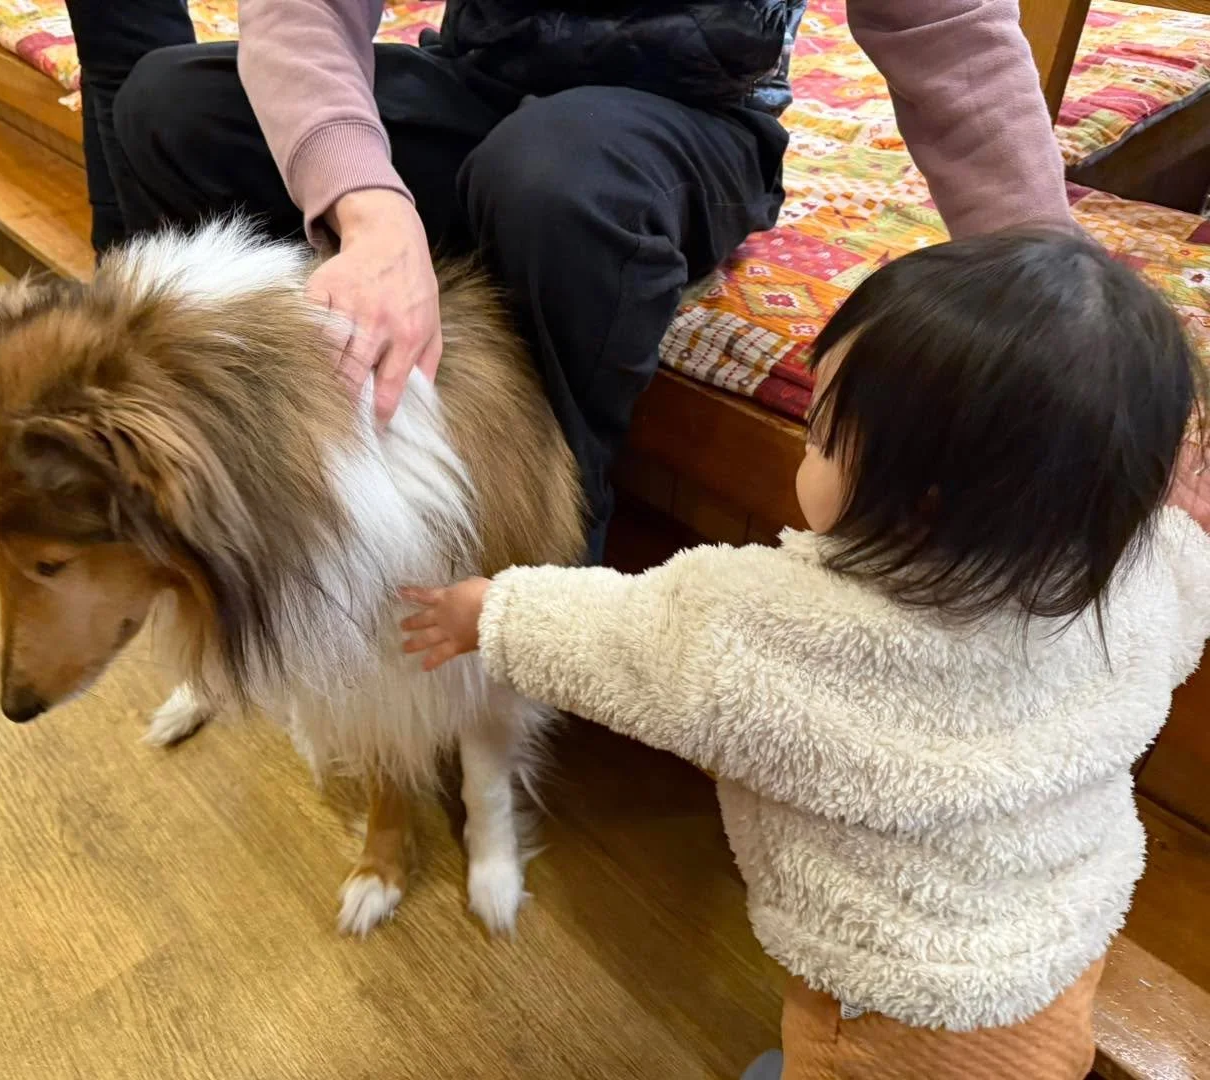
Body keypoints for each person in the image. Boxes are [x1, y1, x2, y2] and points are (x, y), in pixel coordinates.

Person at [400, 230, 1210, 1080]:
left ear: (919, 506)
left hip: (888, 1015)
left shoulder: (779, 625)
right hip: (1061, 963)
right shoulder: (1136, 581)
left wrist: (492, 611)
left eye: (822, 434)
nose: (805, 446)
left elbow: (631, 639)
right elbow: (1188, 576)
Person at [64, 0, 1074, 562]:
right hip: (488, 88)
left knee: (554, 171)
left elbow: (959, 50)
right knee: (171, 103)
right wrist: (367, 208)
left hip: (688, 124)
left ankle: (546, 559)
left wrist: (1063, 313)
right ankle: (301, 486)